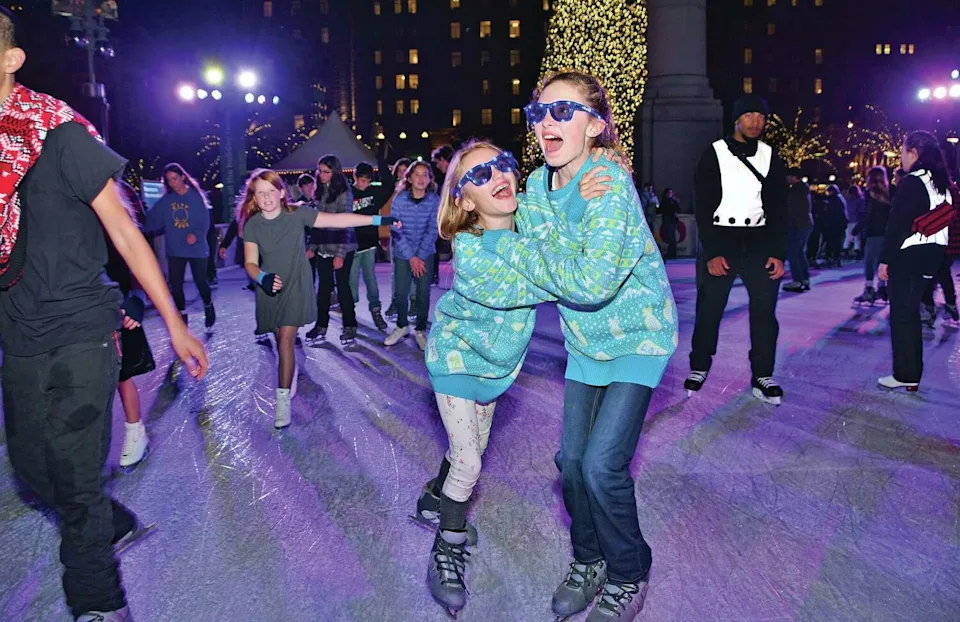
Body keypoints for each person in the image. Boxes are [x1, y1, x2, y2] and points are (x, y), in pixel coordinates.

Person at [0, 10, 209, 620]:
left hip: (82, 328)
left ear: (12, 61)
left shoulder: (58, 135)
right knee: (33, 469)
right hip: (19, 330)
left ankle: (99, 603)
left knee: (77, 475)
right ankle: (110, 520)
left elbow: (125, 231)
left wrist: (173, 323)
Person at [480, 69, 678, 621]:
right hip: (586, 340)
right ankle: (589, 559)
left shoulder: (609, 186)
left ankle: (629, 568)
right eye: (539, 112)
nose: (548, 121)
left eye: (564, 111)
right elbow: (520, 237)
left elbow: (591, 282)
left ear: (595, 126)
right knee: (570, 463)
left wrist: (532, 265)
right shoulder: (540, 187)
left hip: (638, 334)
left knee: (602, 465)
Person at [418, 140, 613, 616]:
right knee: (469, 463)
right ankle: (447, 544)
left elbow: (563, 210)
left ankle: (434, 499)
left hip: (498, 367)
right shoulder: (471, 251)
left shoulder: (531, 216)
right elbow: (548, 276)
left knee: (468, 451)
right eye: (479, 176)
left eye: (502, 165)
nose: (498, 175)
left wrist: (583, 187)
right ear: (463, 201)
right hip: (456, 359)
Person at [239, 168, 398, 427]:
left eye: (271, 191)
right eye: (260, 193)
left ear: (281, 193)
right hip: (270, 286)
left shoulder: (298, 214)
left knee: (287, 340)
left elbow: (338, 220)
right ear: (254, 198)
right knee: (280, 339)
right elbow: (249, 263)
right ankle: (288, 372)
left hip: (295, 285)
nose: (266, 197)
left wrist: (377, 221)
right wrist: (262, 278)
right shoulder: (253, 226)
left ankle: (281, 402)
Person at [687, 94, 788, 404]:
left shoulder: (772, 156)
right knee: (710, 308)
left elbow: (778, 208)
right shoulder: (714, 153)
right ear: (736, 119)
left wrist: (777, 252)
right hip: (723, 239)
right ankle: (699, 365)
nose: (756, 121)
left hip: (759, 242)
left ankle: (763, 374)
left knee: (764, 313)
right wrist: (713, 251)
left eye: (761, 116)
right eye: (749, 115)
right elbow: (703, 206)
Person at [877, 131, 952, 390]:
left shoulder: (913, 181)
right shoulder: (941, 182)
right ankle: (910, 374)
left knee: (902, 316)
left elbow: (897, 224)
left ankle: (905, 374)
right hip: (932, 256)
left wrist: (885, 259)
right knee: (908, 314)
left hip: (909, 255)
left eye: (902, 151)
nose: (900, 157)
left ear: (914, 153)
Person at [106, 181, 154, 468]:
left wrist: (136, 298)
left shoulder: (119, 224)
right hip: (80, 307)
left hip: (119, 306)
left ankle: (135, 431)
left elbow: (138, 263)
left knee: (122, 375)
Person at [144, 163, 216, 329]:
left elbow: (205, 222)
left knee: (200, 281)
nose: (173, 183)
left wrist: (196, 234)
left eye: (175, 179)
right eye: (169, 180)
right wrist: (134, 225)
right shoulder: (167, 201)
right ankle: (182, 315)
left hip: (196, 248)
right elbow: (152, 219)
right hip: (175, 249)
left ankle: (208, 305)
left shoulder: (195, 197)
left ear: (183, 177)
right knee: (176, 285)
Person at [383, 161, 439, 351]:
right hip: (403, 254)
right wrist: (411, 257)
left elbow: (433, 230)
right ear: (409, 177)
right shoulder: (399, 200)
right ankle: (401, 326)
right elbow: (395, 230)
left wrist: (420, 256)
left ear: (430, 179)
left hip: (426, 254)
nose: (421, 179)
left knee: (423, 293)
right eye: (417, 174)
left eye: (425, 175)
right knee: (400, 292)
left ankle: (420, 329)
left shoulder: (434, 200)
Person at [305, 155, 358, 345]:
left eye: (326, 171)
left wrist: (340, 254)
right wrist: (312, 247)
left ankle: (350, 326)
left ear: (335, 172)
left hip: (343, 247)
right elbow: (317, 223)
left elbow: (347, 223)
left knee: (343, 288)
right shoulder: (319, 191)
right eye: (320, 171)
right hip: (324, 247)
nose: (321, 175)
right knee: (323, 288)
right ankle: (321, 325)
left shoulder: (344, 192)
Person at [348, 162, 390, 331]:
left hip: (370, 245)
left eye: (367, 180)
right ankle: (349, 316)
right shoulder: (347, 194)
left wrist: (381, 161)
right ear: (354, 177)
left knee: (371, 280)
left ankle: (376, 311)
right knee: (350, 283)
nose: (364, 184)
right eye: (361, 180)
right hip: (352, 246)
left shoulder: (374, 192)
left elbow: (389, 185)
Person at [852, 167, 893, 305]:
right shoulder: (890, 193)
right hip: (886, 234)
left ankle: (869, 289)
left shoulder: (870, 194)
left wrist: (855, 231)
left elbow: (866, 215)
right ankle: (882, 288)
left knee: (869, 262)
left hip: (873, 233)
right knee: (882, 261)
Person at [384, 157, 412, 318]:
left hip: (413, 233)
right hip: (396, 234)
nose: (402, 173)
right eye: (400, 170)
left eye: (405, 170)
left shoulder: (414, 188)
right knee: (396, 271)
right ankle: (396, 302)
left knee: (415, 270)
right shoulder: (391, 189)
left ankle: (414, 302)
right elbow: (386, 211)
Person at [782, 168, 814, 292]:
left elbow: (792, 210)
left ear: (794, 177)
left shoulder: (795, 191)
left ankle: (797, 280)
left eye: (789, 176)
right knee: (799, 252)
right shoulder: (803, 189)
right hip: (805, 223)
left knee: (793, 252)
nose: (787, 179)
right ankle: (804, 278)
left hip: (798, 224)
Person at [430, 145, 455, 284]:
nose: (438, 166)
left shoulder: (453, 176)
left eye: (438, 162)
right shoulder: (450, 176)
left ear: (443, 159)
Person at [821, 184, 848, 267]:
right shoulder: (840, 199)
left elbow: (832, 213)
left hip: (833, 224)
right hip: (839, 224)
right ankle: (836, 258)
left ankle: (830, 257)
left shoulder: (833, 200)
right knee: (837, 242)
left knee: (831, 242)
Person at [843, 184, 865, 260]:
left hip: (848, 220)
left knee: (848, 237)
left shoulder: (847, 199)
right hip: (856, 220)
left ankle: (845, 251)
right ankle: (857, 253)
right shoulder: (860, 200)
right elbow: (861, 210)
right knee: (857, 238)